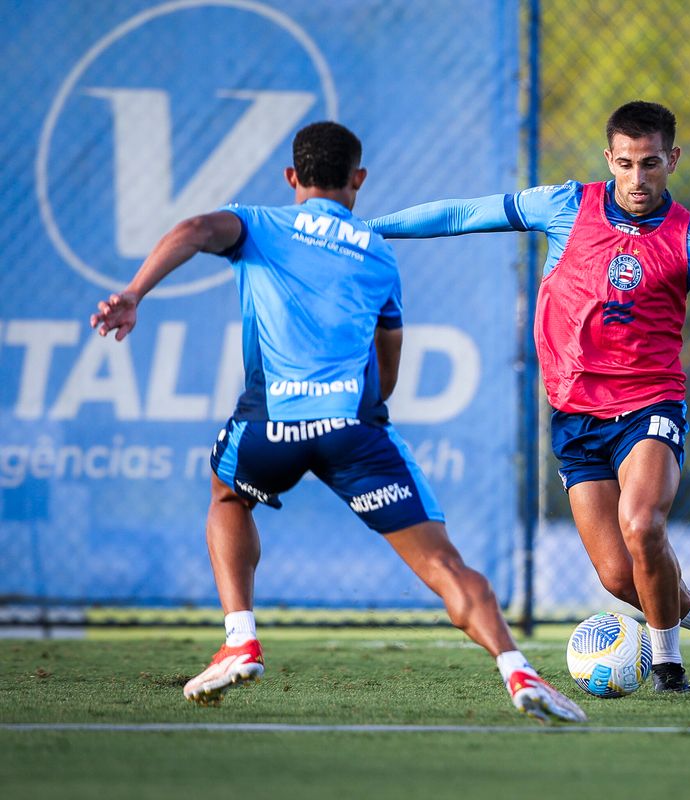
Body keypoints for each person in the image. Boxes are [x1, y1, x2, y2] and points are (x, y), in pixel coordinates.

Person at [89, 121, 586, 723]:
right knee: (442, 563)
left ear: (292, 178)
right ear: (359, 180)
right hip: (353, 428)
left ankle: (241, 636)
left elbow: (194, 230)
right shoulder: (376, 252)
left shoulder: (258, 224)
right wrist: (370, 414)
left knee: (227, 496)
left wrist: (135, 293)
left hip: (271, 423)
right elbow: (390, 352)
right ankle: (516, 669)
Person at [368, 101, 690, 693]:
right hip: (574, 414)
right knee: (621, 577)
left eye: (650, 164)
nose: (638, 178)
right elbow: (464, 215)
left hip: (650, 404)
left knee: (641, 521)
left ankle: (668, 665)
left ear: (672, 160)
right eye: (625, 164)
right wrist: (369, 230)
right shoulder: (566, 205)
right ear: (609, 160)